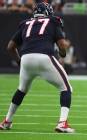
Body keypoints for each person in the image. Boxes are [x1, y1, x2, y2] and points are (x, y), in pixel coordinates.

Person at [0, 2, 75, 133]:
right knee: (66, 88)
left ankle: (7, 121)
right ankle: (62, 123)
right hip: (44, 57)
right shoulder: (53, 21)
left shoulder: (25, 23)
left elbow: (10, 47)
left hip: (26, 58)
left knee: (21, 89)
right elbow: (62, 45)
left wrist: (19, 62)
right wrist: (63, 54)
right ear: (48, 12)